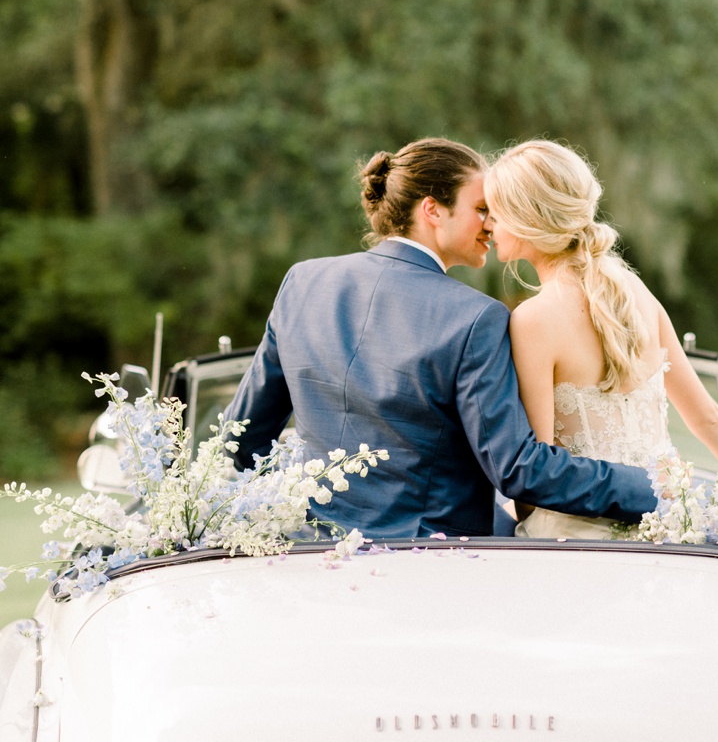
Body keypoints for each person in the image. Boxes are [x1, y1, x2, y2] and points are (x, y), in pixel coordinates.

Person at [224, 137, 657, 538]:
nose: (492, 225)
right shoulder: (475, 318)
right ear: (432, 210)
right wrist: (658, 489)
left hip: (306, 554)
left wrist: (288, 513)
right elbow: (518, 470)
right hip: (433, 566)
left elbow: (241, 438)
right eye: (482, 209)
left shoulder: (303, 283)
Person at [484, 139, 718, 540]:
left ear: (525, 219)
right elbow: (707, 417)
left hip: (575, 538)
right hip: (671, 530)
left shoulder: (532, 320)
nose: (488, 226)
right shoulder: (634, 291)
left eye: (494, 214)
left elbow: (537, 477)